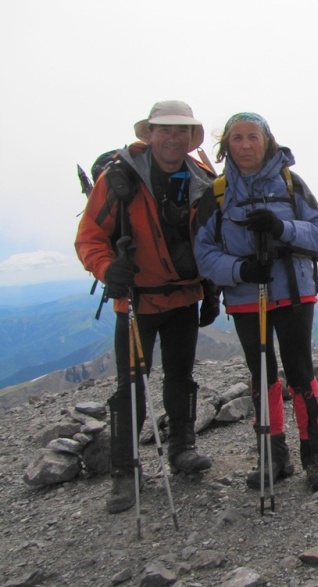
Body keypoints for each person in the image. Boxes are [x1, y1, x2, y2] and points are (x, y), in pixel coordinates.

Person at [75, 100, 217, 514]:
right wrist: (107, 269)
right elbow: (90, 239)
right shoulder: (119, 177)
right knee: (131, 385)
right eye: (164, 130)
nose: (173, 138)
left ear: (190, 138)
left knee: (181, 375)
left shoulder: (203, 179)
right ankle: (125, 471)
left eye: (181, 131)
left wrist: (211, 291)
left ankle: (182, 448)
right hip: (136, 297)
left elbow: (208, 241)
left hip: (185, 296)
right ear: (149, 134)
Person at [193, 112, 318, 491]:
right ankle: (274, 456)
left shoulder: (291, 183)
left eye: (252, 136)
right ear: (227, 146)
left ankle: (315, 455)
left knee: (300, 370)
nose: (245, 145)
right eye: (236, 138)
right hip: (245, 296)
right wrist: (241, 270)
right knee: (262, 375)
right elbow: (203, 254)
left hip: (294, 292)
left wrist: (281, 228)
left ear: (267, 141)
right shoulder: (217, 193)